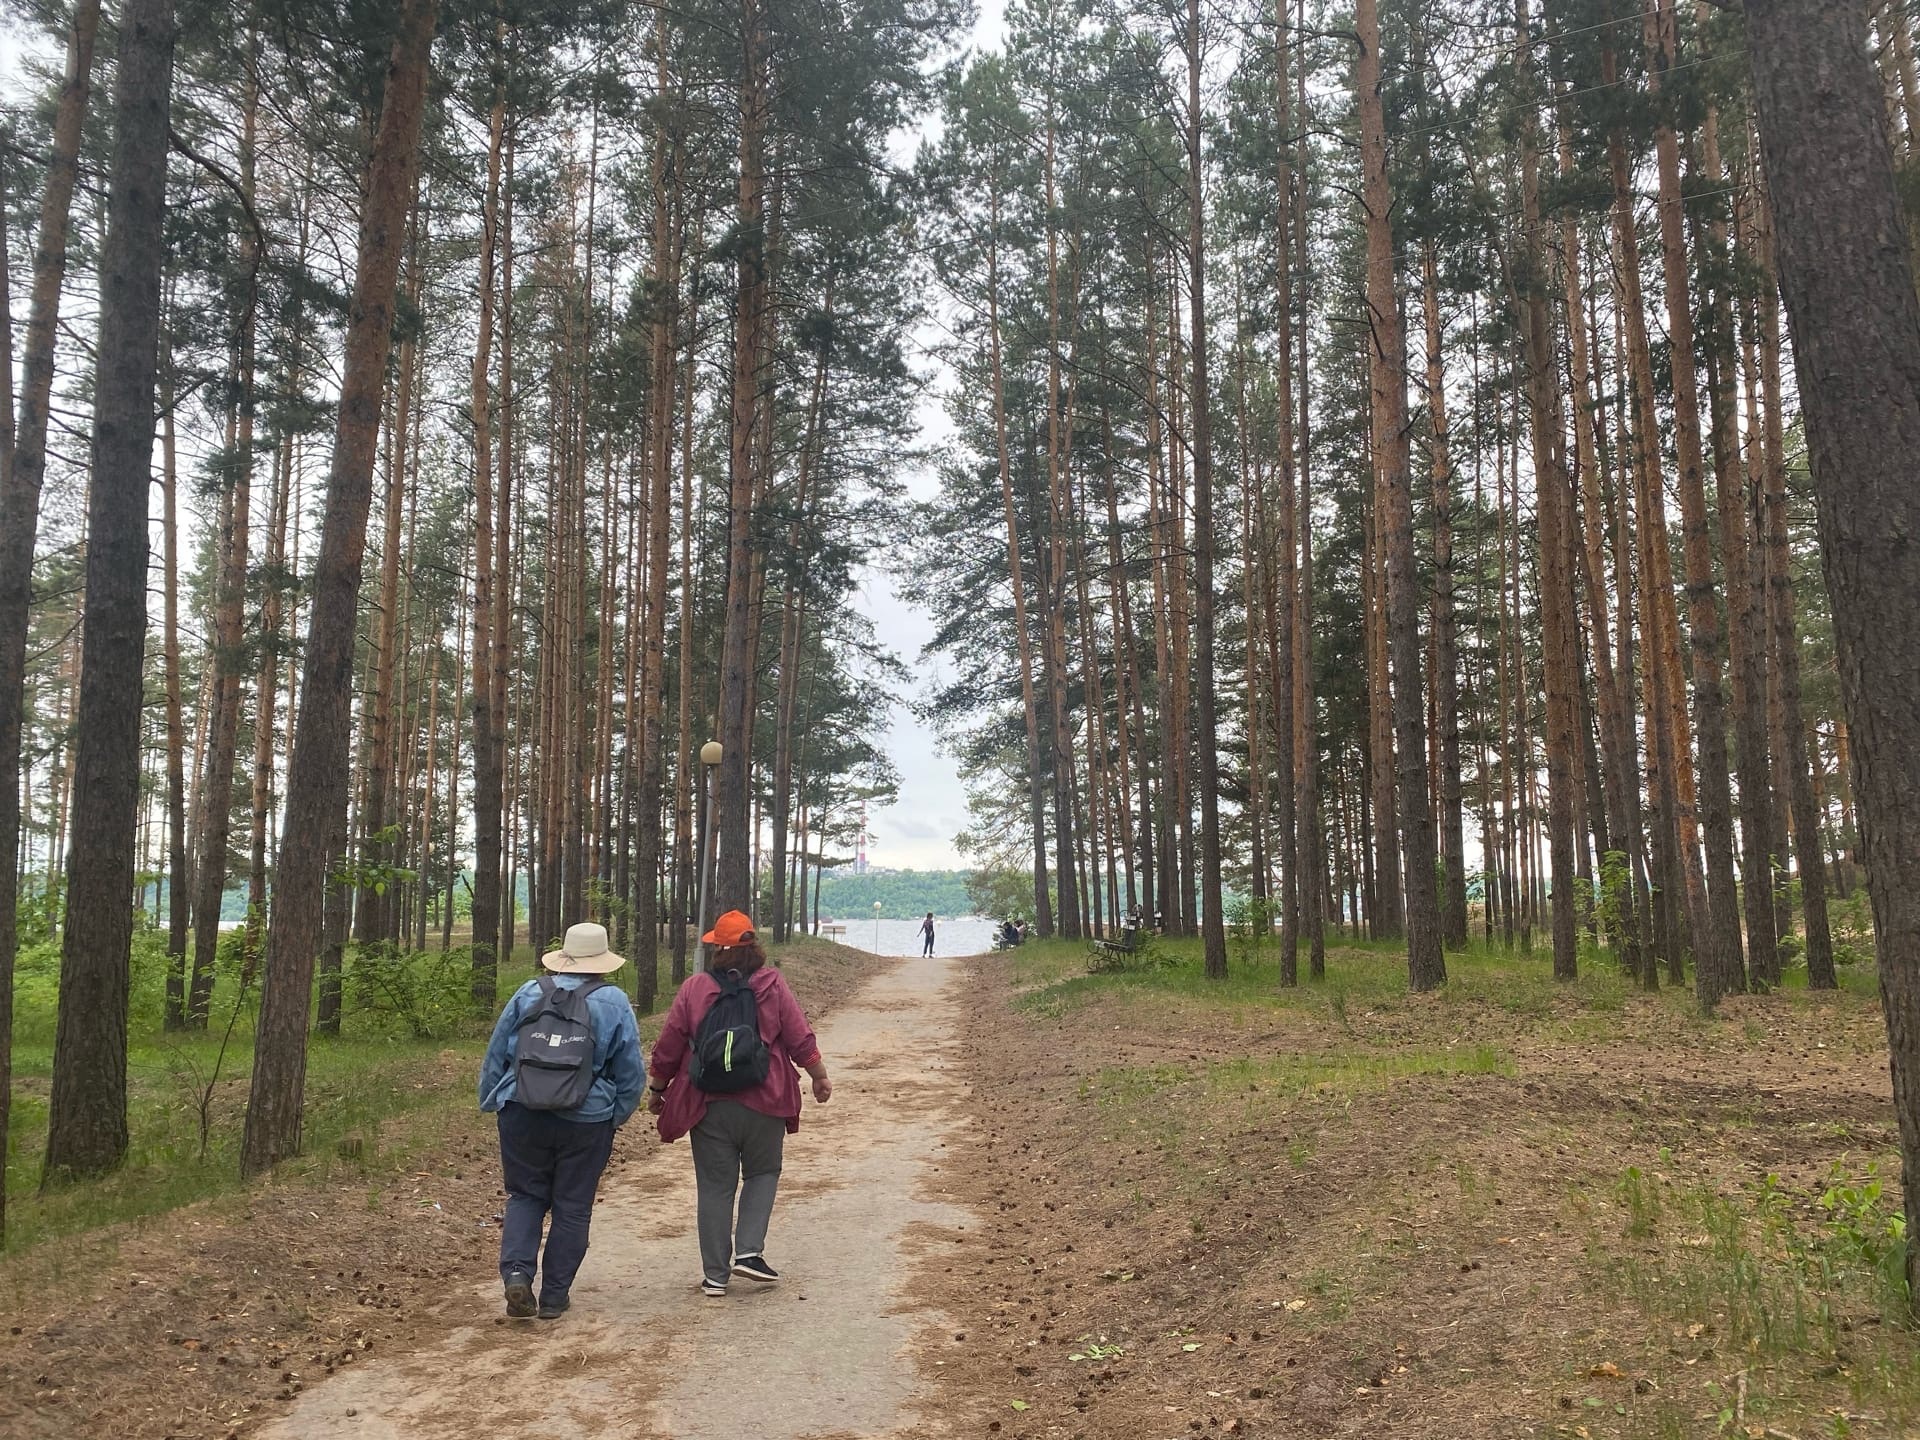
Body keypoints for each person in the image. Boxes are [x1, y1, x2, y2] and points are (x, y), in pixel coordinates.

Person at [647, 910, 833, 1297]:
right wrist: (819, 1075)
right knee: (762, 1173)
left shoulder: (695, 988)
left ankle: (715, 1275)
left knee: (715, 1187)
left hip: (708, 1103)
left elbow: (670, 1043)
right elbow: (799, 1036)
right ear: (754, 947)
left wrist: (657, 1089)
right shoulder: (771, 984)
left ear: (717, 948)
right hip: (766, 1098)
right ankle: (749, 1253)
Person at [479, 920, 645, 1321]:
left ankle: (518, 1274)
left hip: (521, 1110)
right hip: (585, 1120)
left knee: (525, 1195)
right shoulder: (614, 1001)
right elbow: (631, 1073)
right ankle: (554, 1296)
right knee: (572, 1206)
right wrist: (612, 1116)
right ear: (603, 962)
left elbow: (498, 1051)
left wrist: (494, 1099)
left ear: (565, 957)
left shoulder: (529, 992)